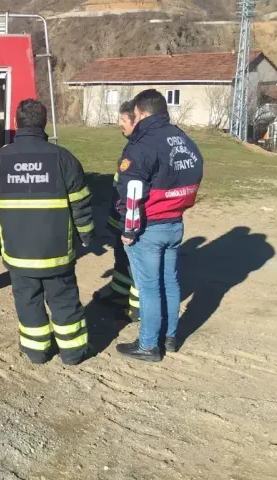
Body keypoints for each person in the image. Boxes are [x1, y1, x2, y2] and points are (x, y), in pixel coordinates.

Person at [0, 99, 94, 365]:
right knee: (64, 300)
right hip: (57, 253)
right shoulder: (64, 158)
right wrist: (86, 236)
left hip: (18, 253)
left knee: (27, 301)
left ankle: (36, 352)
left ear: (17, 124)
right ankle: (73, 353)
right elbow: (81, 205)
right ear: (44, 123)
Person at [115, 89, 204, 362]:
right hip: (175, 221)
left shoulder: (142, 144)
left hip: (148, 226)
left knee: (150, 287)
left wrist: (129, 231)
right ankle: (170, 336)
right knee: (170, 281)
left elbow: (131, 191)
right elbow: (196, 170)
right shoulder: (182, 138)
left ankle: (149, 345)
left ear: (140, 112)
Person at [92, 100, 140, 322]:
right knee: (121, 255)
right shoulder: (134, 143)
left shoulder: (142, 147)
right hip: (121, 214)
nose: (120, 124)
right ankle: (120, 293)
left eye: (123, 120)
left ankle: (137, 309)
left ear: (135, 119)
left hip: (132, 216)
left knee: (138, 262)